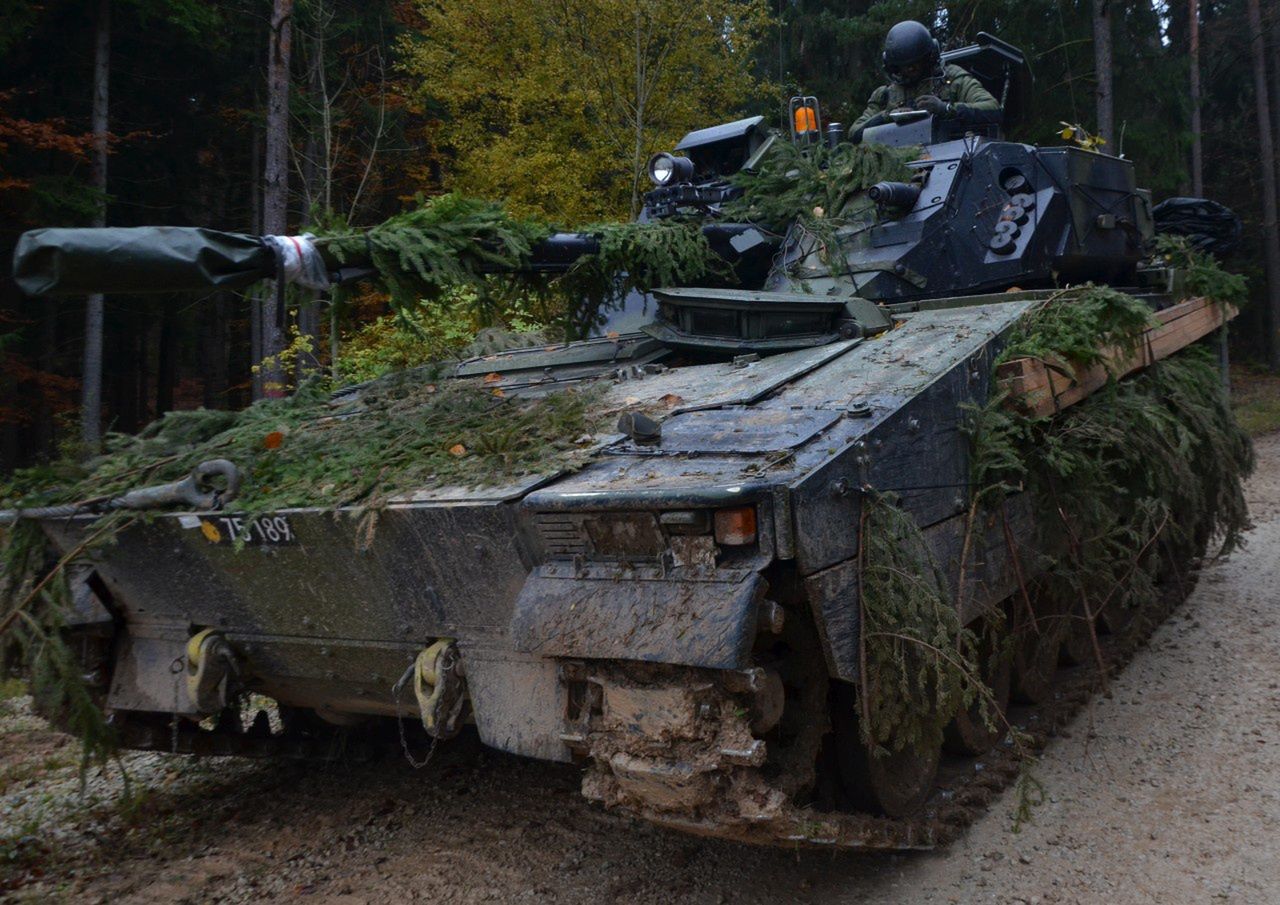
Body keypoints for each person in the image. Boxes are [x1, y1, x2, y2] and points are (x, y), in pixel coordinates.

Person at [850, 20, 1001, 143]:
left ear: (927, 58)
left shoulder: (953, 79)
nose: (910, 69)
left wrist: (946, 109)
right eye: (904, 66)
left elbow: (992, 109)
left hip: (950, 156)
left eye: (915, 64)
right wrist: (886, 116)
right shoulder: (885, 95)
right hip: (899, 162)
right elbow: (855, 133)